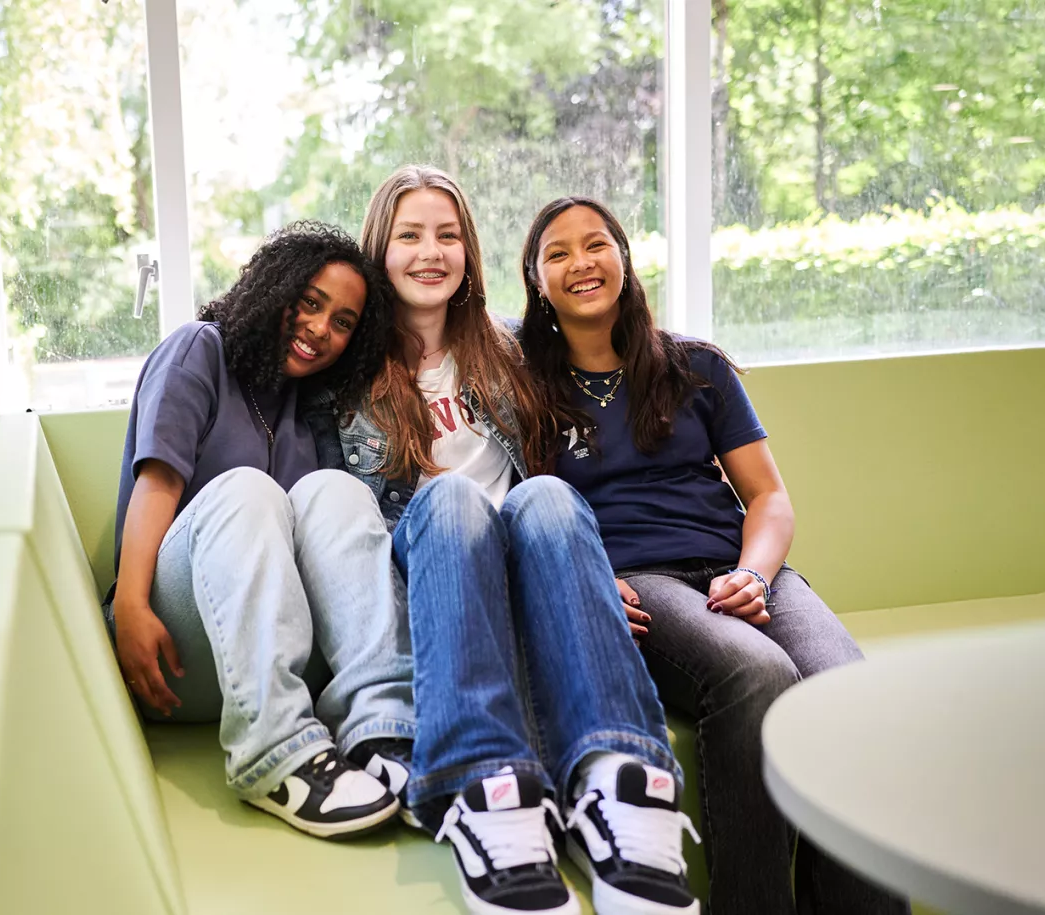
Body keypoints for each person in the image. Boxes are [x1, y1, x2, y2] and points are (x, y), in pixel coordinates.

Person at [517, 196, 913, 915]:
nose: (581, 262)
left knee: (848, 689)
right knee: (755, 672)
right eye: (558, 252)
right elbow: (526, 513)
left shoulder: (694, 365)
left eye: (596, 243)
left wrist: (755, 573)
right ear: (535, 280)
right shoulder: (523, 388)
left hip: (739, 567)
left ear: (624, 258)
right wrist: (587, 579)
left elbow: (769, 497)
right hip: (638, 582)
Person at [338, 165, 701, 915]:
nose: (430, 251)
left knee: (545, 495)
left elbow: (581, 457)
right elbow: (343, 526)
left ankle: (621, 791)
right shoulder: (343, 379)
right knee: (452, 499)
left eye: (447, 235)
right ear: (381, 249)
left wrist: (596, 572)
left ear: (470, 252)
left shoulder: (509, 351)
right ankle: (485, 794)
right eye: (410, 235)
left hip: (529, 566)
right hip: (439, 572)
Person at [106, 221, 416, 840]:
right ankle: (274, 757)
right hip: (174, 649)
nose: (320, 329)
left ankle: (385, 734)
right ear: (276, 290)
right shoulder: (201, 349)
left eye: (343, 322)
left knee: (337, 490)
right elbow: (159, 483)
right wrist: (132, 606)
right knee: (248, 488)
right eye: (310, 303)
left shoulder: (312, 411)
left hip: (282, 663)